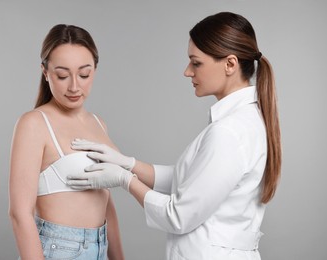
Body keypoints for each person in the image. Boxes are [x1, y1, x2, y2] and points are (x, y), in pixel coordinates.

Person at [66, 12, 282, 260]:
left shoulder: (229, 132)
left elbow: (178, 216)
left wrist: (126, 180)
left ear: (230, 64)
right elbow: (190, 180)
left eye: (196, 62)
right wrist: (128, 163)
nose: (187, 71)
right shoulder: (244, 122)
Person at [8, 24, 124, 260]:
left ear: (95, 70)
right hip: (59, 250)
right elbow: (20, 213)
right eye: (62, 75)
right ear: (45, 71)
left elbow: (105, 201)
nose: (74, 86)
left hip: (100, 247)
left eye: (84, 74)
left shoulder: (98, 123)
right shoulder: (34, 123)